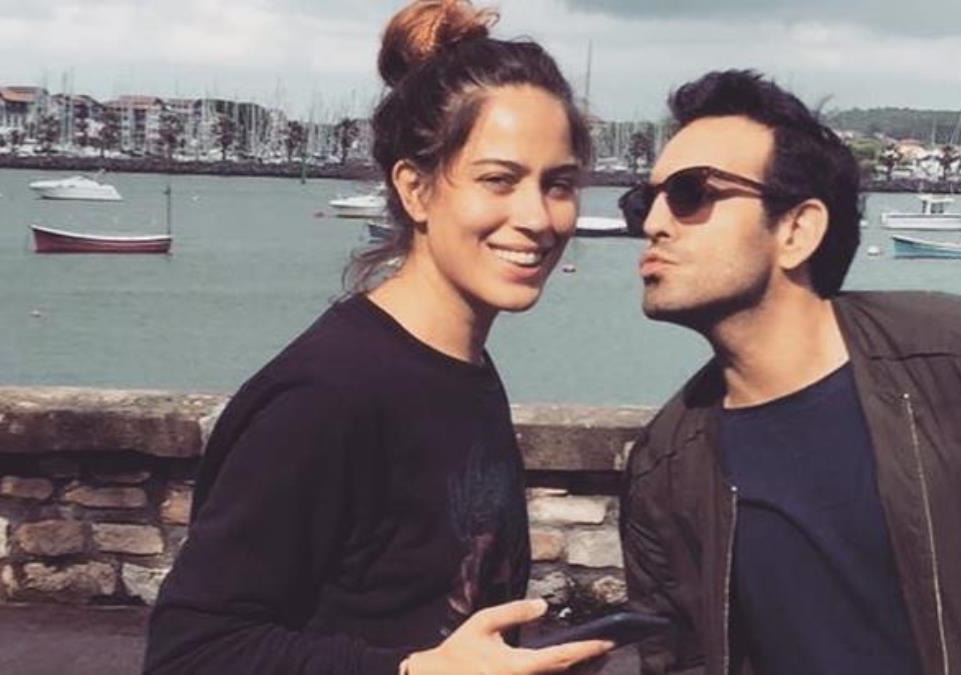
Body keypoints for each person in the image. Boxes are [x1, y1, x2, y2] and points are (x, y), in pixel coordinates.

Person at [144, 2, 613, 673]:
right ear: (415, 189)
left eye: (559, 184)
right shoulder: (327, 395)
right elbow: (190, 652)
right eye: (498, 180)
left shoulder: (465, 372)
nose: (537, 216)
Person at [617, 69, 961, 675]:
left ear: (797, 230)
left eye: (691, 192)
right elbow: (681, 659)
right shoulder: (665, 465)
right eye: (642, 202)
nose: (652, 223)